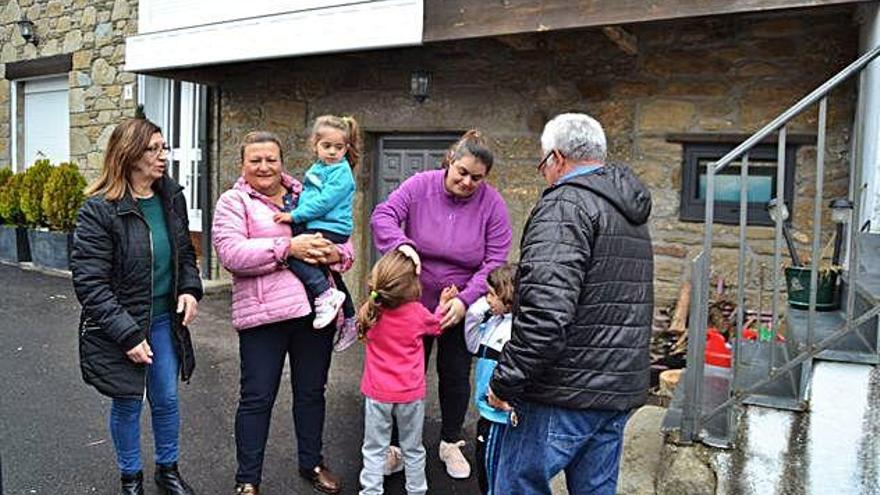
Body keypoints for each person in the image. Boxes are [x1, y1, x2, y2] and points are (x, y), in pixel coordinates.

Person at [488, 113, 654, 495]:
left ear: (557, 159)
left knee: (515, 487)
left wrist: (505, 381)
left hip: (563, 389)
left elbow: (545, 315)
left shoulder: (565, 206)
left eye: (544, 163)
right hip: (615, 390)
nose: (544, 173)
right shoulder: (627, 210)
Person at [212, 131, 353, 495]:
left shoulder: (305, 192)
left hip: (314, 314)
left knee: (312, 392)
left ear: (281, 161)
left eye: (270, 159)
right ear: (242, 164)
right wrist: (288, 247)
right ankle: (247, 479)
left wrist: (340, 255)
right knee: (257, 397)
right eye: (255, 159)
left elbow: (341, 235)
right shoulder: (234, 201)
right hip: (264, 317)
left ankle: (312, 463)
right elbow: (232, 254)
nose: (263, 166)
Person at [71, 117, 203, 495]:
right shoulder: (99, 209)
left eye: (164, 148)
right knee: (128, 401)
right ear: (129, 155)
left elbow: (184, 255)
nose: (163, 157)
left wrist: (190, 290)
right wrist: (127, 335)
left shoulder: (170, 197)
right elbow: (90, 283)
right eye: (153, 149)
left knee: (166, 398)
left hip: (163, 320)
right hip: (121, 324)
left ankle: (168, 470)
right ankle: (131, 478)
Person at [371, 130, 512, 479]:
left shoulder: (492, 204)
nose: (467, 182)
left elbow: (495, 260)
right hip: (412, 301)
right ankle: (395, 445)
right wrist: (402, 243)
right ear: (449, 162)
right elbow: (383, 215)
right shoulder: (420, 185)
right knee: (402, 373)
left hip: (459, 304)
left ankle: (450, 441)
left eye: (477, 178)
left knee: (453, 373)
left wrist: (465, 301)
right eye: (461, 172)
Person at [356, 251, 457, 495]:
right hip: (410, 394)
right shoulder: (417, 313)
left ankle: (370, 491)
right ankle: (416, 490)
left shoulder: (370, 312)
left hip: (377, 393)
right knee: (413, 448)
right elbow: (436, 326)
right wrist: (442, 306)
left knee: (373, 449)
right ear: (411, 286)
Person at [273, 115, 358, 344]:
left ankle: (324, 293)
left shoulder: (342, 173)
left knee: (294, 253)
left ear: (346, 148)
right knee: (329, 272)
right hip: (318, 223)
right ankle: (350, 317)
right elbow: (308, 195)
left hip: (331, 228)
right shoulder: (318, 168)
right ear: (315, 145)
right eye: (326, 146)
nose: (332, 152)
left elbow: (324, 202)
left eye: (338, 147)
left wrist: (294, 215)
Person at [464, 263, 516, 495]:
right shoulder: (493, 323)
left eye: (492, 295)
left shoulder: (514, 332)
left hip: (499, 417)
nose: (488, 300)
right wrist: (480, 308)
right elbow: (472, 343)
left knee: (494, 472)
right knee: (485, 469)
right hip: (486, 411)